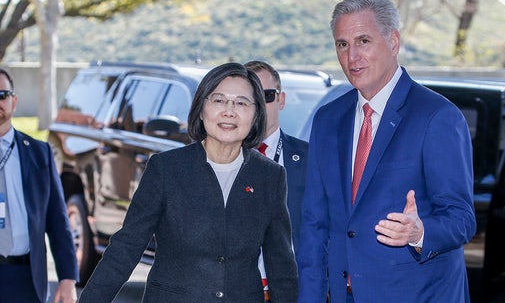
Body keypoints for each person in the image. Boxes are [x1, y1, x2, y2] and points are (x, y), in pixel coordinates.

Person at [297, 0, 476, 303]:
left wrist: (418, 233)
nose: (352, 57)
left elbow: (461, 218)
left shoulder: (437, 116)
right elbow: (315, 222)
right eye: (343, 44)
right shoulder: (328, 119)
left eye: (363, 41)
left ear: (393, 42)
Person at [78, 63, 298, 302]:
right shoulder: (166, 169)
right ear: (201, 108)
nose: (229, 111)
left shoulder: (269, 176)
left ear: (256, 114)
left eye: (242, 103)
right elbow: (126, 246)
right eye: (218, 100)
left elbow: (281, 264)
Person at [0, 67, 78, 303]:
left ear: (14, 101)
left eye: (2, 95)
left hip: (25, 277)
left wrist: (67, 279)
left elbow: (58, 220)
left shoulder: (38, 152)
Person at [244, 61, 308, 302]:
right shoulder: (219, 159)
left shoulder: (313, 160)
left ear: (281, 100)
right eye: (249, 97)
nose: (259, 104)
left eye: (267, 96)